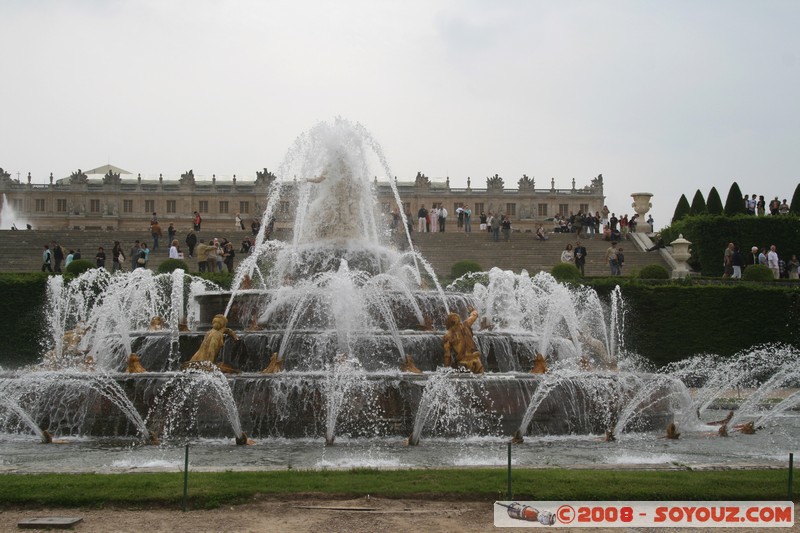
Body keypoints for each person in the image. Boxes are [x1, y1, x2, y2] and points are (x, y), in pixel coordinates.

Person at [442, 308, 484, 374]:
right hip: (476, 361)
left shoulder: (448, 335)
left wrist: (446, 369)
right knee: (480, 379)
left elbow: (447, 355)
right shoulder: (466, 325)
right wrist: (473, 310)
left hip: (463, 364)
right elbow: (474, 315)